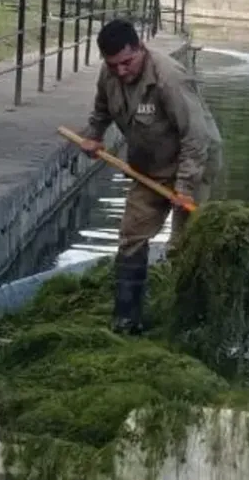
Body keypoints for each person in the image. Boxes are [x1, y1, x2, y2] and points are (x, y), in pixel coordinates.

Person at [77, 19, 223, 335]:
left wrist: (184, 188)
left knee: (183, 246)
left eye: (127, 63)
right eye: (113, 65)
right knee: (131, 236)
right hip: (148, 167)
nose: (121, 71)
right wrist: (94, 134)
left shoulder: (170, 78)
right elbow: (102, 109)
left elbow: (195, 138)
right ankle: (126, 320)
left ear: (140, 48)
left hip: (194, 165)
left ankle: (188, 321)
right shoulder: (110, 73)